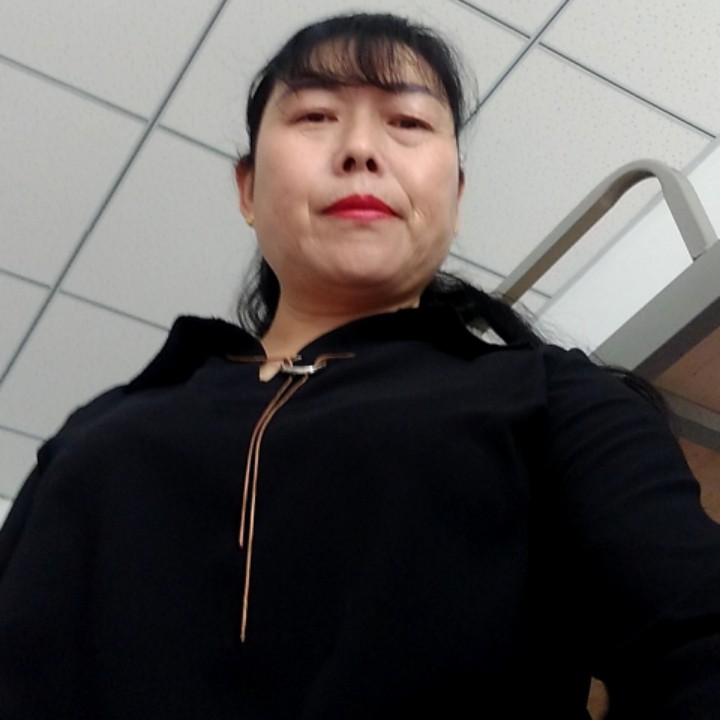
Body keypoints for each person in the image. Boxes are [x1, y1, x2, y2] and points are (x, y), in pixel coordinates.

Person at [1, 12, 719, 719]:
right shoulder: (96, 434)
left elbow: (696, 637)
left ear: (455, 197)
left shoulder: (556, 400)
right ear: (248, 190)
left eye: (407, 122)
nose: (360, 150)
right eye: (315, 116)